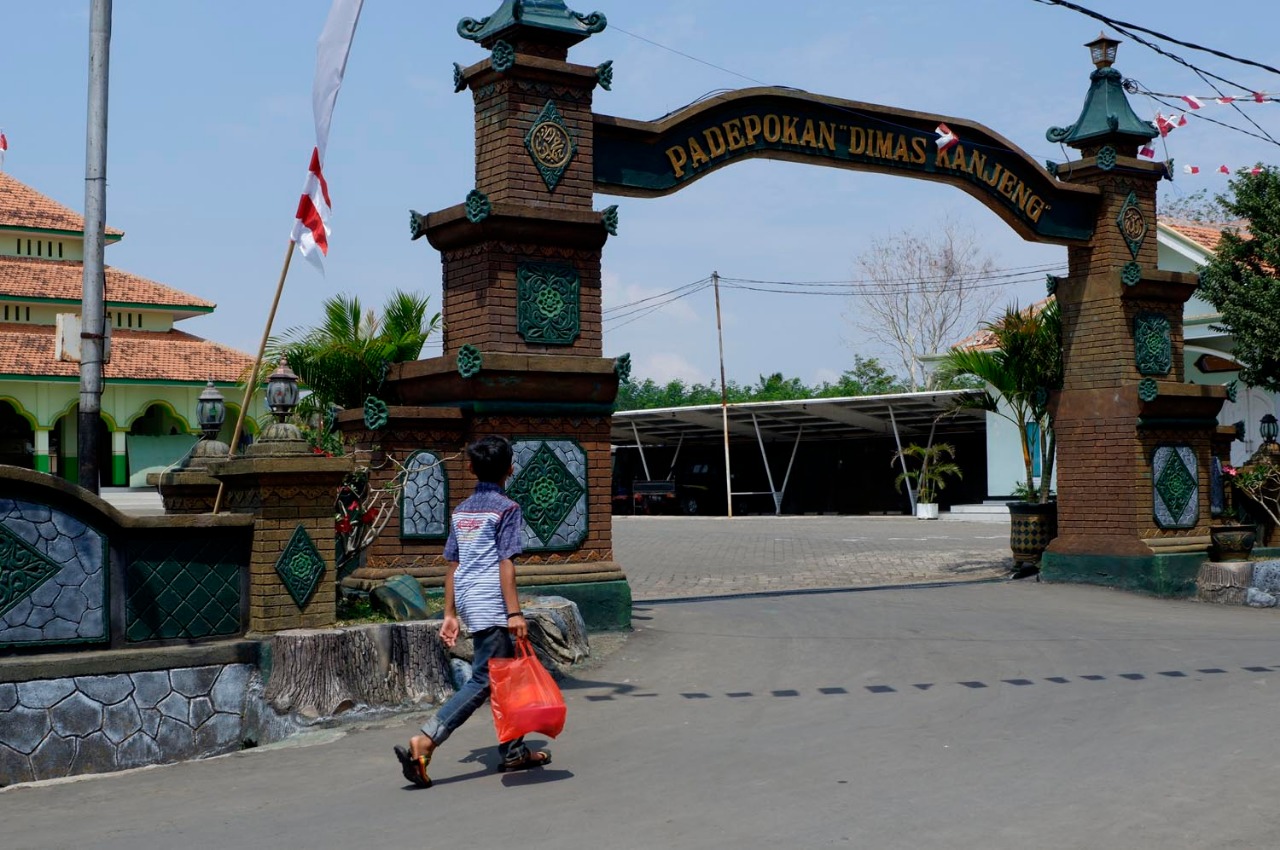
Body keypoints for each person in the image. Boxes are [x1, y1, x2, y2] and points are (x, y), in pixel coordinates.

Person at [394, 435, 551, 788]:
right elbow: (505, 563)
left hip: (468, 598)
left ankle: (514, 752)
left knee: (502, 678)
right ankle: (426, 740)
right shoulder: (507, 508)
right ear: (511, 469)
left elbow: (452, 562)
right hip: (493, 603)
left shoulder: (462, 510)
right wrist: (515, 614)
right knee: (484, 679)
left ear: (469, 468)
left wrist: (450, 613)